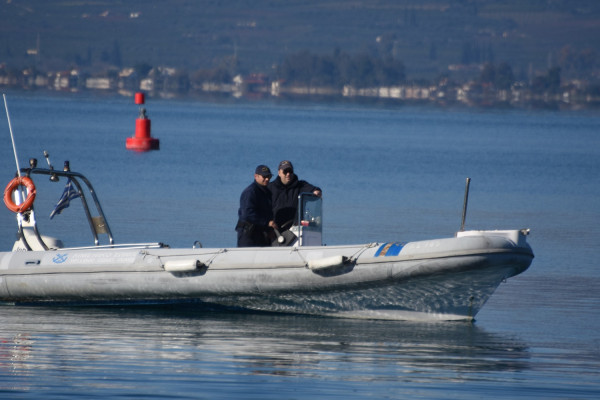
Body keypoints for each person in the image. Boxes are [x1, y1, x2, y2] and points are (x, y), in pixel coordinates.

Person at [269, 160, 321, 229]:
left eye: (290, 171)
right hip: (275, 228)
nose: (288, 174)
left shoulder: (301, 185)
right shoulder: (270, 188)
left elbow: (315, 190)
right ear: (279, 173)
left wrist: (316, 192)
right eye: (285, 171)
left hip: (295, 228)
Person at [235, 165, 278, 247]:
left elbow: (268, 213)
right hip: (248, 235)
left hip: (261, 234)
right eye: (264, 176)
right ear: (256, 176)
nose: (267, 179)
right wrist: (267, 223)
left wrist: (269, 229)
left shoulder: (267, 192)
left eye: (269, 176)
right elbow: (247, 214)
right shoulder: (250, 192)